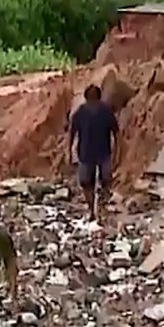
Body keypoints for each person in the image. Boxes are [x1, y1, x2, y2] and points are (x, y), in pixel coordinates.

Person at [68, 84, 119, 224]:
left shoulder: (82, 112)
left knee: (88, 183)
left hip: (87, 153)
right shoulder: (105, 111)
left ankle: (93, 209)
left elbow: (72, 133)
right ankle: (99, 209)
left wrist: (69, 151)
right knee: (103, 182)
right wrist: (117, 152)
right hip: (102, 152)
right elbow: (116, 132)